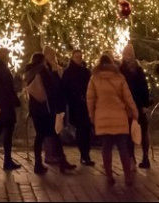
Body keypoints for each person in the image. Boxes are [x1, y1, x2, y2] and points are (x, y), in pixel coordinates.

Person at [87, 52, 138, 187]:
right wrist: (135, 112)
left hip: (102, 119)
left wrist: (92, 115)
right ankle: (128, 177)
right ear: (111, 64)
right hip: (119, 118)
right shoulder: (119, 77)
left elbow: (90, 100)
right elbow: (128, 98)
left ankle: (109, 176)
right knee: (123, 149)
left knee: (106, 149)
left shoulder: (94, 79)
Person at [40, 47, 75, 171]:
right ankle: (60, 160)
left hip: (58, 104)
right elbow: (52, 86)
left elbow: (61, 85)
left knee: (56, 133)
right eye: (50, 54)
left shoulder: (55, 67)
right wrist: (56, 73)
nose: (53, 56)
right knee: (55, 133)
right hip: (52, 106)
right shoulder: (46, 69)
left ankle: (59, 160)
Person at [120, 43, 152, 169]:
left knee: (140, 131)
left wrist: (144, 104)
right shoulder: (124, 69)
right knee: (131, 133)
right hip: (129, 105)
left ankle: (143, 157)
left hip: (136, 105)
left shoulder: (136, 70)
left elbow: (144, 88)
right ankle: (133, 157)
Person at [62, 49, 95, 166]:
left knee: (86, 130)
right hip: (76, 106)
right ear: (72, 58)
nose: (79, 59)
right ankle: (84, 155)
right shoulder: (68, 73)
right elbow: (66, 89)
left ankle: (86, 154)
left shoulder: (85, 72)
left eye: (80, 57)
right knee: (81, 130)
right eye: (76, 57)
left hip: (86, 105)